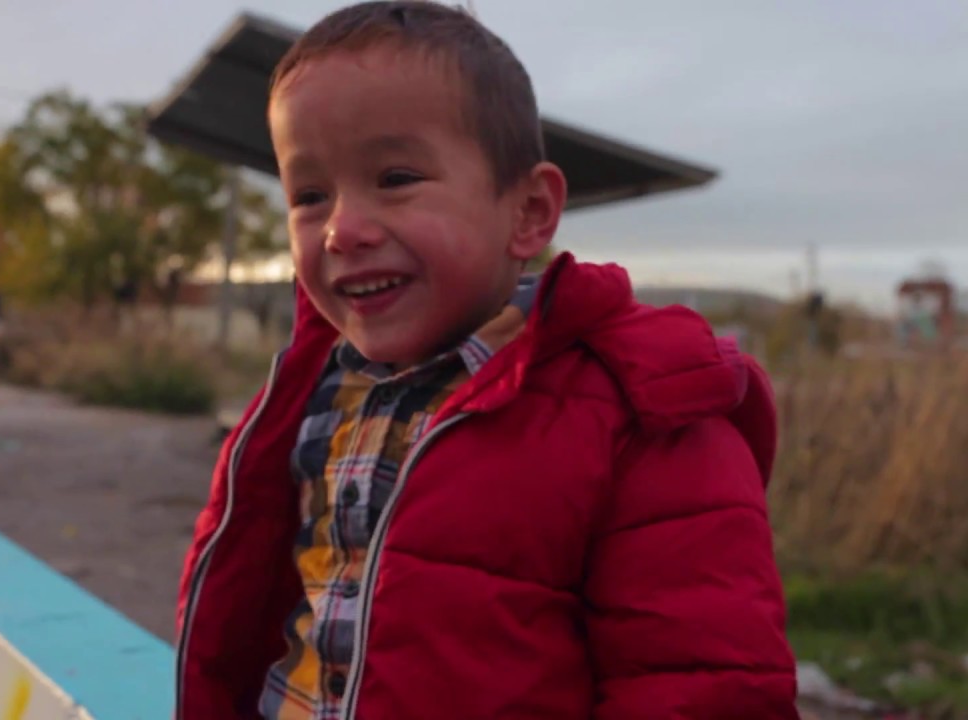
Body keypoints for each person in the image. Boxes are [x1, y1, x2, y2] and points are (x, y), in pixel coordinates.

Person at [176, 3, 798, 718]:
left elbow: (704, 686)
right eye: (310, 195)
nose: (343, 229)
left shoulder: (642, 413)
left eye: (397, 177)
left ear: (529, 212)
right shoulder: (311, 393)